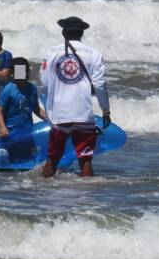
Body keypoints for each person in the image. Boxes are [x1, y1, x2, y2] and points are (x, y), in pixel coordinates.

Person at [40, 16, 110, 178]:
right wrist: (106, 111)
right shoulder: (94, 53)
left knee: (52, 158)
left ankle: (43, 192)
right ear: (82, 33)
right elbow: (100, 85)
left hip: (59, 114)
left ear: (63, 32)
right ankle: (86, 199)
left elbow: (44, 81)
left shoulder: (50, 52)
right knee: (85, 159)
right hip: (83, 115)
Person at [0, 57, 48, 162]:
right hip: (10, 134)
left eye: (26, 71)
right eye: (20, 72)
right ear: (12, 73)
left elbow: (36, 109)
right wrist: (2, 128)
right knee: (10, 162)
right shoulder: (8, 89)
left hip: (28, 133)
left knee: (27, 162)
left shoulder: (32, 88)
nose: (24, 74)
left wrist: (50, 119)